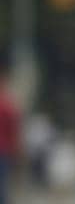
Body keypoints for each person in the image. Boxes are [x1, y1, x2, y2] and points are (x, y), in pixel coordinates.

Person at [0, 67, 20, 204]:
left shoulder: (7, 105)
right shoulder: (7, 105)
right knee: (3, 184)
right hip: (4, 150)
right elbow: (14, 129)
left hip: (4, 150)